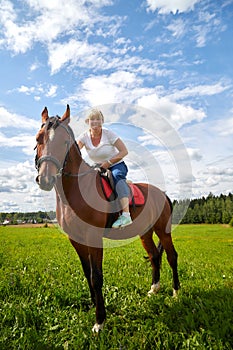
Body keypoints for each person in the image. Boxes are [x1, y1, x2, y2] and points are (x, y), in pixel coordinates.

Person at [77, 109, 132, 228]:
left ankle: (126, 215)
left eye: (98, 119)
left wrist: (108, 162)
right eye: (93, 119)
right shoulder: (84, 137)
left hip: (116, 165)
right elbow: (75, 151)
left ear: (102, 121)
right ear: (88, 121)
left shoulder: (109, 134)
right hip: (99, 167)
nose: (95, 121)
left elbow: (124, 151)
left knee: (116, 176)